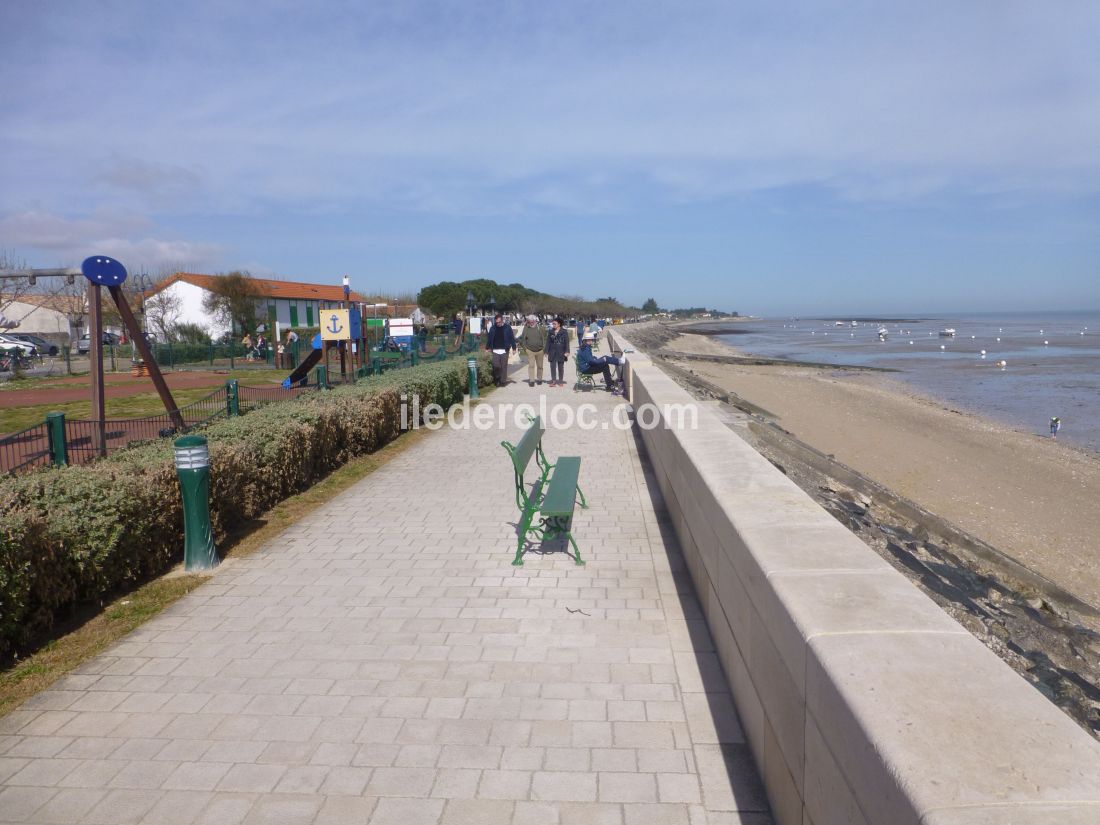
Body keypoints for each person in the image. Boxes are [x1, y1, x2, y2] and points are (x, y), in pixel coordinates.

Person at [485, 312, 516, 386]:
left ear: (502, 320)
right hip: (495, 350)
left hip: (505, 350)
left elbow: (511, 338)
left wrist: (514, 348)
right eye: (496, 322)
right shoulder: (493, 328)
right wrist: (487, 348)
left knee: (504, 366)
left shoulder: (507, 327)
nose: (498, 323)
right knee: (496, 366)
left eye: (499, 322)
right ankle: (497, 378)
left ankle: (502, 381)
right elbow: (489, 339)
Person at [517, 314, 547, 386]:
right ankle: (532, 380)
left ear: (535, 321)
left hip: (540, 350)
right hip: (530, 350)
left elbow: (545, 338)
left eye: (531, 321)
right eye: (529, 321)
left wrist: (544, 348)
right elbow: (522, 339)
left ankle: (539, 379)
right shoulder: (526, 328)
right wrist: (525, 349)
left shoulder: (540, 328)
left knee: (540, 366)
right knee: (531, 365)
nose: (530, 323)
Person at [546, 317, 569, 387]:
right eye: (553, 324)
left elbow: (567, 342)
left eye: (554, 324)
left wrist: (567, 351)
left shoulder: (564, 331)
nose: (553, 325)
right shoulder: (550, 331)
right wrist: (546, 351)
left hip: (561, 352)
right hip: (552, 352)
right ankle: (553, 381)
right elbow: (548, 342)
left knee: (560, 367)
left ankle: (561, 381)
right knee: (552, 367)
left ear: (559, 324)